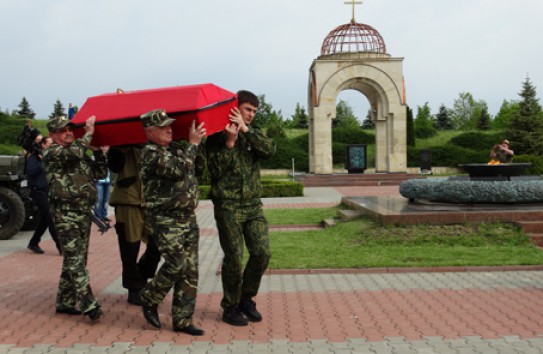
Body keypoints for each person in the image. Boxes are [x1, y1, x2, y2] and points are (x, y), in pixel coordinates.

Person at [205, 90, 276, 326]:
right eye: (248, 110)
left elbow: (269, 150)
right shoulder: (216, 136)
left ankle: (246, 298)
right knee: (234, 258)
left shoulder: (252, 134)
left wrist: (245, 131)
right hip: (228, 206)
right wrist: (230, 142)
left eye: (255, 111)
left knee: (262, 252)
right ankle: (231, 307)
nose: (252, 114)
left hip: (253, 206)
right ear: (236, 108)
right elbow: (214, 172)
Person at [138, 109, 206, 335]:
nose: (170, 129)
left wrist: (198, 144)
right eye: (163, 127)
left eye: (170, 125)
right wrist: (192, 145)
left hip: (187, 217)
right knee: (176, 264)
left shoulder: (176, 148)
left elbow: (197, 169)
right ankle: (149, 297)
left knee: (190, 271)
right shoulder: (149, 153)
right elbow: (178, 170)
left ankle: (183, 320)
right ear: (150, 132)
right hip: (166, 219)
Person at [43, 114, 108, 321]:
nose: (69, 133)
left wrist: (98, 154)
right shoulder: (52, 152)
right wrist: (88, 134)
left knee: (76, 259)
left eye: (70, 129)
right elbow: (75, 151)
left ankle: (64, 301)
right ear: (53, 134)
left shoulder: (78, 152)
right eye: (63, 130)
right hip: (65, 213)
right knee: (75, 260)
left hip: (82, 213)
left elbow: (99, 172)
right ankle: (89, 304)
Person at [108, 144, 161, 306]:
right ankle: (134, 288)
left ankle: (142, 276)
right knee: (129, 247)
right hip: (128, 199)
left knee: (158, 244)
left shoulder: (157, 141)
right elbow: (114, 167)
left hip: (153, 200)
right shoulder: (122, 141)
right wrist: (118, 150)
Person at [25, 136, 62, 255]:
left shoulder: (50, 158)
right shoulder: (34, 158)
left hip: (48, 191)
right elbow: (30, 172)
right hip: (37, 191)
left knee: (44, 220)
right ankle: (61, 247)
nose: (52, 146)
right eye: (50, 144)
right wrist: (43, 162)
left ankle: (33, 243)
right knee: (50, 218)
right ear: (43, 145)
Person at [94, 146, 112, 223]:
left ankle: (104, 215)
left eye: (106, 146)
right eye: (102, 146)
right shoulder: (95, 155)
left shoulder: (109, 156)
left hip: (107, 180)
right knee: (99, 199)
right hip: (98, 180)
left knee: (106, 200)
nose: (104, 148)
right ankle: (97, 216)